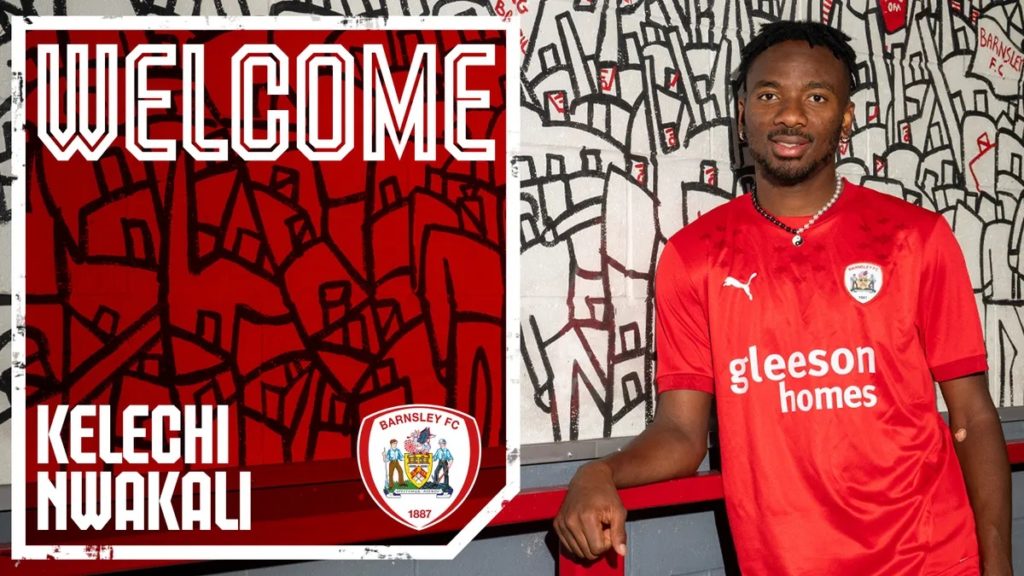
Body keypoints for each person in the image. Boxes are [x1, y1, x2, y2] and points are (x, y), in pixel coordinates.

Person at [554, 21, 1012, 576]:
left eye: (816, 97)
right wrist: (596, 473)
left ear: (845, 118)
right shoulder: (695, 256)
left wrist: (999, 566)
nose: (791, 115)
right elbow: (680, 434)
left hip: (929, 558)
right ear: (742, 112)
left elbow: (973, 416)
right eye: (769, 95)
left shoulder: (915, 238)